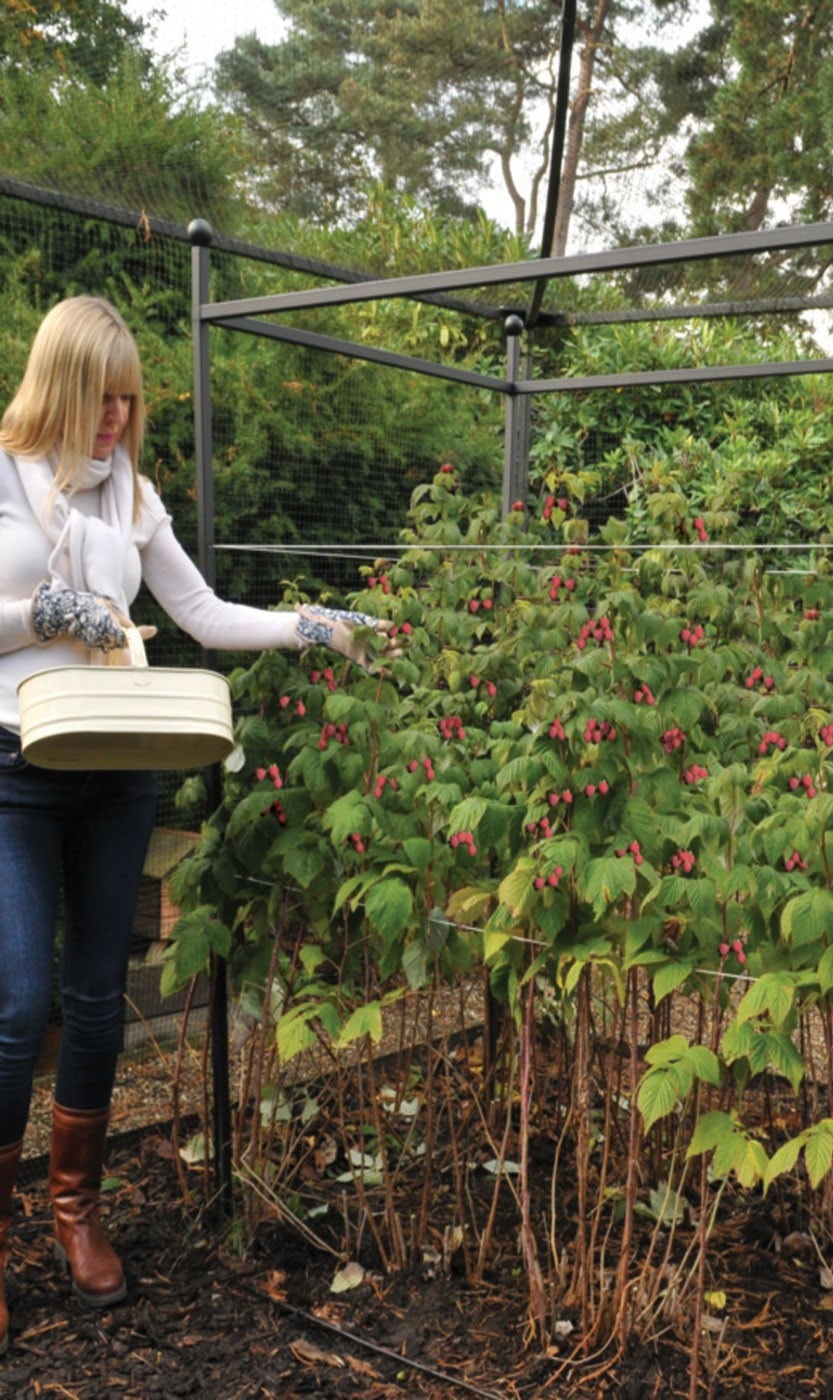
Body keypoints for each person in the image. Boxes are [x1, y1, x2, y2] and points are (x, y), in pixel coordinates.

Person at [0, 295, 397, 1353]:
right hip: (15, 765)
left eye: (129, 399)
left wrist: (320, 627)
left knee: (96, 998)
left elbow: (204, 613)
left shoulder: (134, 494)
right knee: (16, 995)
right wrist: (37, 615)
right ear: (59, 388)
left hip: (119, 762)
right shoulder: (1, 476)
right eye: (100, 398)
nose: (118, 419)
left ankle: (75, 1212)